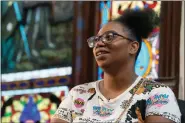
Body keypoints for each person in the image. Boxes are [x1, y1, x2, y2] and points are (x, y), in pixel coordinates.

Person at [51, 8, 181, 123]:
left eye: (109, 37)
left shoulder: (157, 94)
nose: (99, 44)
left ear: (133, 47)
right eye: (96, 40)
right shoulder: (78, 93)